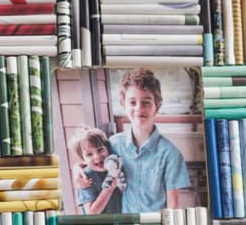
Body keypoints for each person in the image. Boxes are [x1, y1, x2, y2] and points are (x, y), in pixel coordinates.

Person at [108, 68, 190, 212]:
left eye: (146, 103)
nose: (139, 109)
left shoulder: (171, 154)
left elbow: (173, 204)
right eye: (132, 103)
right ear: (123, 105)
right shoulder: (113, 144)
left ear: (157, 106)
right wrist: (80, 170)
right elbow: (92, 164)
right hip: (125, 223)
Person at [67, 126, 123, 214]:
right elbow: (91, 213)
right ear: (83, 159)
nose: (97, 156)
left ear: (108, 149)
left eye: (100, 150)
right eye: (89, 154)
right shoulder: (85, 178)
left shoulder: (115, 168)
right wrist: (109, 187)